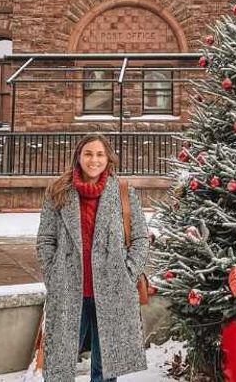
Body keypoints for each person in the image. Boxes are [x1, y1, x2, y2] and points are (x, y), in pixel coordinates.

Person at [37, 134, 149, 382]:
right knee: (59, 366)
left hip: (112, 291)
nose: (94, 160)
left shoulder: (122, 191)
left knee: (106, 367)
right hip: (69, 290)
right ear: (79, 156)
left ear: (108, 158)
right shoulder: (58, 191)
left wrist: (129, 273)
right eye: (88, 153)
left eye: (100, 154)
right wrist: (53, 275)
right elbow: (45, 240)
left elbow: (141, 238)